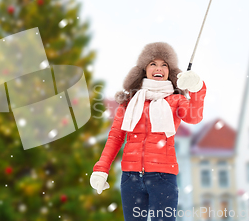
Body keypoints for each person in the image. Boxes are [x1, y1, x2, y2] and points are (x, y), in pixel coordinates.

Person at [89, 42, 207, 221]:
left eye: (164, 64)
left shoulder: (175, 100)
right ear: (144, 69)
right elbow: (115, 137)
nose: (159, 68)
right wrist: (101, 169)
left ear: (170, 71)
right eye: (153, 63)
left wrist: (197, 88)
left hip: (163, 178)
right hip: (131, 179)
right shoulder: (129, 102)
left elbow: (194, 116)